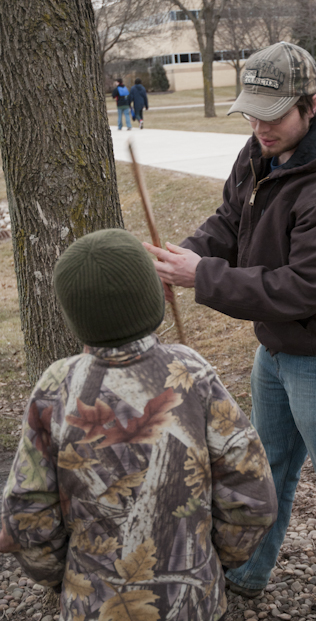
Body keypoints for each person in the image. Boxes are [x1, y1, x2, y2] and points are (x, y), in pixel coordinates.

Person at [145, 41, 316, 621]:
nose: (259, 127)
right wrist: (187, 254)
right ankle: (250, 573)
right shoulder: (260, 151)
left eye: (272, 114)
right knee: (265, 468)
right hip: (277, 351)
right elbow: (231, 221)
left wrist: (201, 277)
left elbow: (301, 289)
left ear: (312, 104)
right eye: (251, 113)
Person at [0, 229, 278, 621]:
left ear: (73, 313)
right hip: (194, 603)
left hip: (93, 607)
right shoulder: (191, 371)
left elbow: (28, 513)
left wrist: (62, 576)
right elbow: (254, 495)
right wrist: (212, 559)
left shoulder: (56, 387)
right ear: (152, 297)